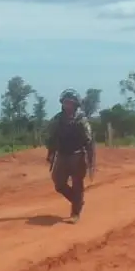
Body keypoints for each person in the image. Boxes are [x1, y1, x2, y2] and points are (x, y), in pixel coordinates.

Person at [47, 89, 97, 223]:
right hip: (62, 154)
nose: (67, 105)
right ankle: (77, 201)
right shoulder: (58, 119)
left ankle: (75, 213)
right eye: (65, 102)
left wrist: (90, 159)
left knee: (77, 184)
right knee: (58, 182)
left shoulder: (81, 120)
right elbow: (52, 137)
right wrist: (50, 153)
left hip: (77, 155)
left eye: (70, 103)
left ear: (75, 105)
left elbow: (89, 140)